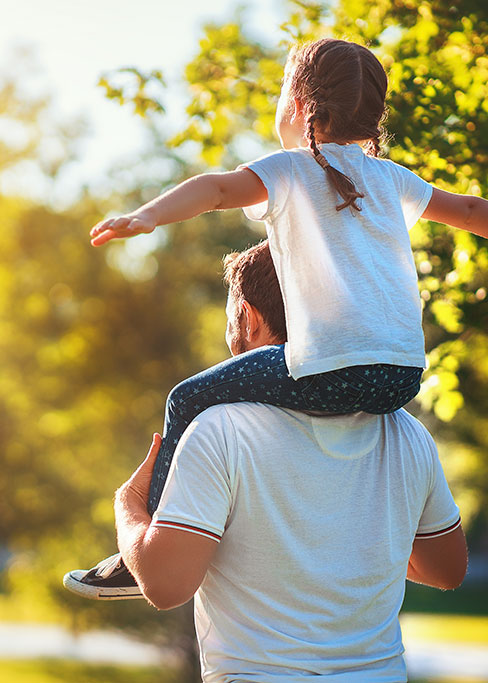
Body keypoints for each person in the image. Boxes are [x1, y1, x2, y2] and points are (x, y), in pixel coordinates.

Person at [66, 37, 488, 598]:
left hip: (330, 370)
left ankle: (150, 544)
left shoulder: (290, 170)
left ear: (299, 107)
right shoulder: (392, 178)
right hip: (401, 378)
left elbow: (216, 189)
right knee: (279, 379)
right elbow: (470, 210)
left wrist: (147, 216)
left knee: (186, 398)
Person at [112, 240, 467, 681]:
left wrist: (128, 506)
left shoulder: (221, 430)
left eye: (231, 319)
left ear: (249, 317)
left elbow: (165, 586)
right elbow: (446, 570)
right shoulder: (406, 432)